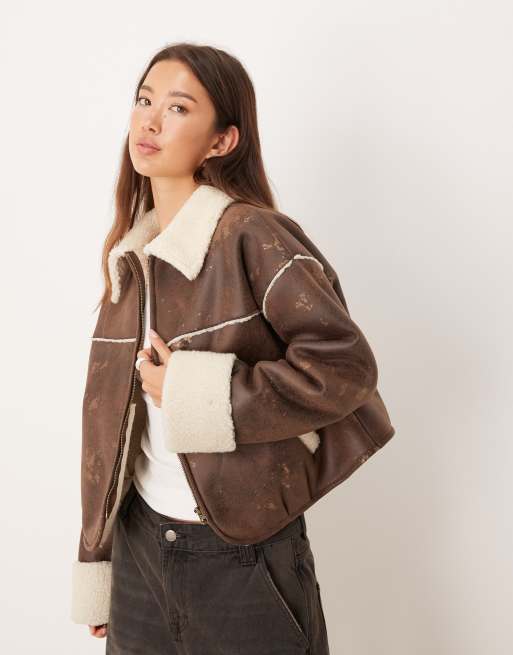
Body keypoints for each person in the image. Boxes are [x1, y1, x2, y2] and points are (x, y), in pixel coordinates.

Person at [70, 42, 395, 654]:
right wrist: (99, 557)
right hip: (139, 551)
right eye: (144, 100)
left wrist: (191, 390)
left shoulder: (251, 235)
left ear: (222, 141)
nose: (150, 121)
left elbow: (346, 368)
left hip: (241, 558)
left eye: (177, 108)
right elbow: (106, 429)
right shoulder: (130, 259)